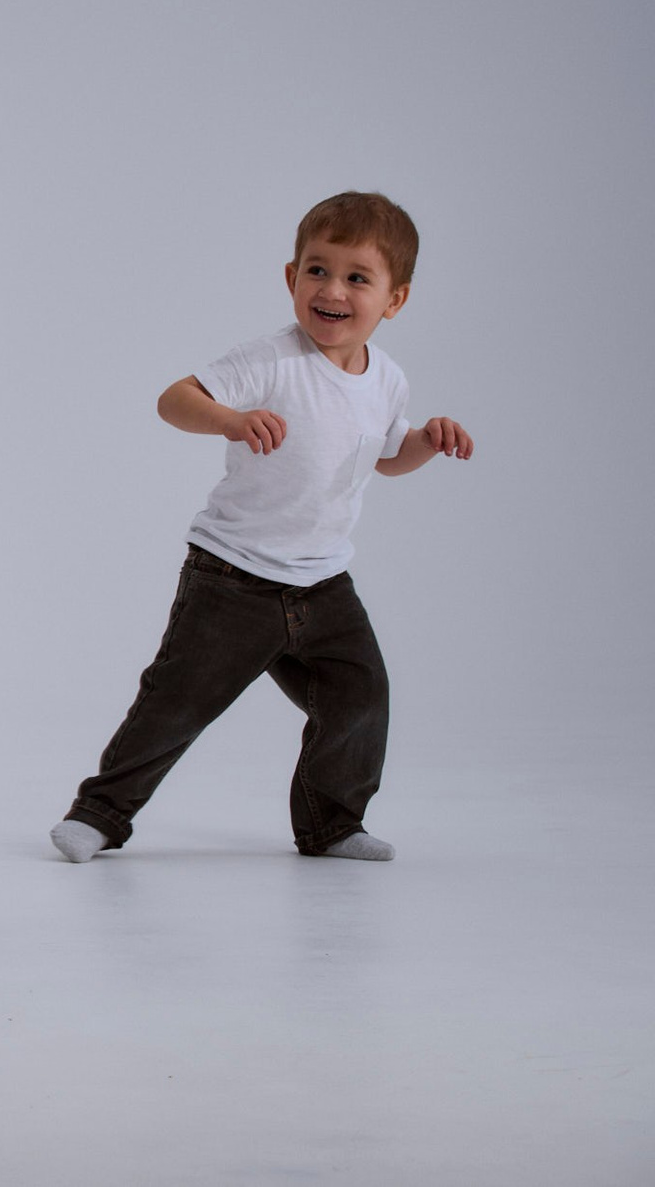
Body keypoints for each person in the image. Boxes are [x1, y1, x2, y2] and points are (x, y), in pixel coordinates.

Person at [50, 191, 474, 864]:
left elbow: (388, 456)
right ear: (291, 276)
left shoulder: (387, 379)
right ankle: (99, 814)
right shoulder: (271, 360)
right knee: (178, 700)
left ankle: (332, 824)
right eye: (317, 270)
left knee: (360, 696)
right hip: (233, 576)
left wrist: (427, 440)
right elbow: (174, 400)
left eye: (357, 278)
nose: (332, 290)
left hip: (322, 583)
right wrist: (230, 419)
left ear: (395, 300)